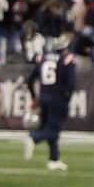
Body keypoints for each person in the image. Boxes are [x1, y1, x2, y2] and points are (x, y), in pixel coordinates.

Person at [24, 32, 76, 171]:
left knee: (49, 127)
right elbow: (71, 83)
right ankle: (33, 138)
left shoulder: (43, 58)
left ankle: (54, 159)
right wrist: (67, 98)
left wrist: (34, 96)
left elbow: (29, 80)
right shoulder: (67, 60)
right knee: (54, 130)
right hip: (57, 98)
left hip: (44, 97)